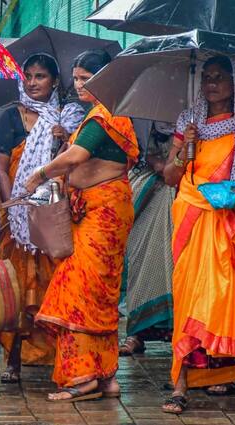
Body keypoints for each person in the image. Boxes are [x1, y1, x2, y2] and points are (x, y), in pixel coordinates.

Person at [160, 56, 235, 416]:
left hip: (234, 225)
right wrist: (183, 149)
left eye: (220, 78)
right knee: (190, 301)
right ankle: (180, 385)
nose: (211, 84)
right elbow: (169, 176)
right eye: (206, 77)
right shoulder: (187, 123)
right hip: (192, 221)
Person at [24, 50, 139, 402]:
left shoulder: (105, 115)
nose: (79, 85)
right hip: (104, 210)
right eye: (76, 78)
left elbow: (76, 157)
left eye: (87, 78)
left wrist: (40, 173)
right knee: (100, 295)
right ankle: (105, 376)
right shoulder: (107, 115)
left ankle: (83, 377)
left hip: (101, 213)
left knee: (80, 292)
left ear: (105, 77)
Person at [0, 53, 86, 383]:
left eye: (40, 76)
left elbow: (73, 166)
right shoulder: (10, 117)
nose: (31, 82)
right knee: (14, 289)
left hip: (52, 214)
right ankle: (13, 360)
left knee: (52, 284)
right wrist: (14, 203)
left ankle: (57, 357)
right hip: (15, 217)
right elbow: (0, 168)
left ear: (55, 81)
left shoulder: (69, 119)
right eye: (27, 75)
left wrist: (62, 140)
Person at [119, 122, 176, 356]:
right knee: (139, 261)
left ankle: (178, 331)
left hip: (183, 190)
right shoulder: (137, 116)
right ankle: (136, 332)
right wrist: (156, 163)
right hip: (146, 188)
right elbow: (133, 152)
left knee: (175, 263)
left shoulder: (197, 112)